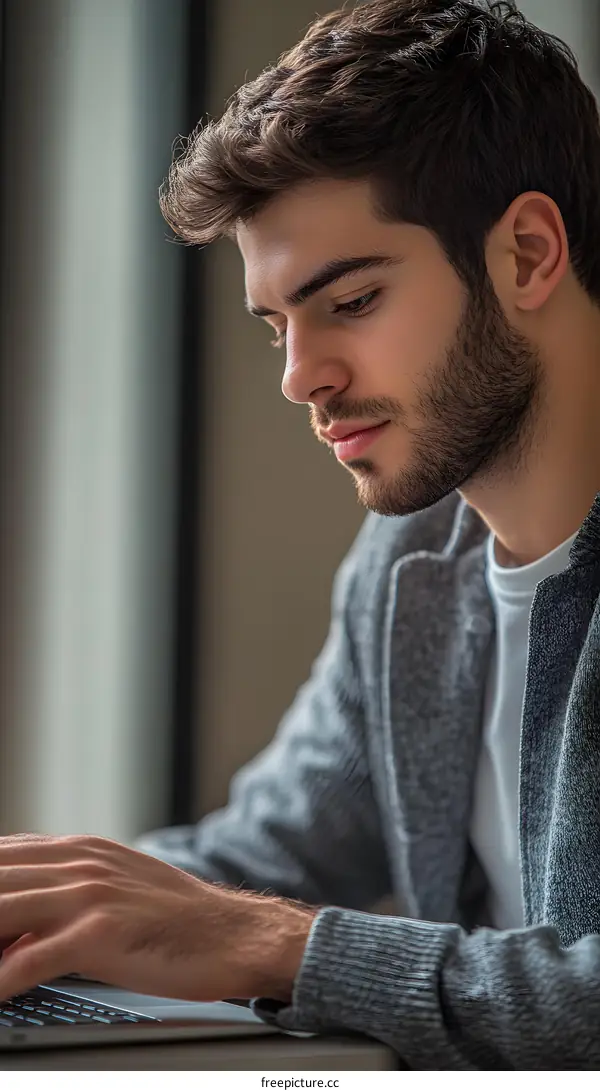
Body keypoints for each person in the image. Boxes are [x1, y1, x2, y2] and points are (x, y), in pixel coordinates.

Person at [2, 0, 600, 1069]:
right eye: (279, 324)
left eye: (353, 300)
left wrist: (275, 944)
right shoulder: (415, 559)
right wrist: (47, 908)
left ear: (526, 252)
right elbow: (263, 855)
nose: (299, 377)